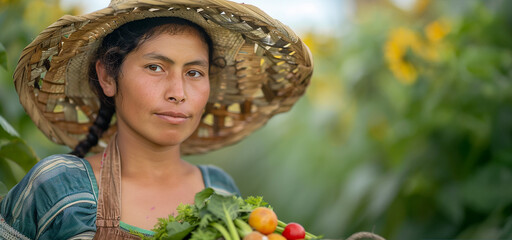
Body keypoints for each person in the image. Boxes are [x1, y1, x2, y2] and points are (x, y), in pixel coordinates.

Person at [0, 0, 313, 239]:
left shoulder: (219, 192)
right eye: (155, 67)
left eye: (194, 73)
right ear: (108, 76)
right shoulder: (58, 187)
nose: (178, 92)